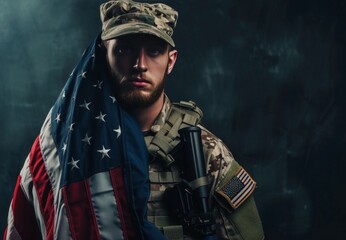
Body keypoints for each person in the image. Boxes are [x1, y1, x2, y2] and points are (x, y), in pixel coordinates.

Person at [4, 1, 264, 239]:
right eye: (125, 49)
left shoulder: (205, 152)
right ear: (104, 55)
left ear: (170, 61)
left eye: (153, 51)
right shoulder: (68, 149)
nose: (140, 64)